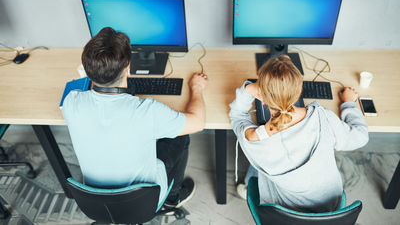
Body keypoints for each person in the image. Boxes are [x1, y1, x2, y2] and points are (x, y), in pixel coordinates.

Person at [62, 27, 208, 208]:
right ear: (128, 69)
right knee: (180, 135)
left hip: (94, 200)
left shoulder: (71, 102)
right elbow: (198, 122)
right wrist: (197, 88)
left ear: (87, 71)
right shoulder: (146, 111)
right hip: (144, 202)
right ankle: (172, 197)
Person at [229, 54, 368, 212]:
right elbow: (360, 137)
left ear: (262, 98)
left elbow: (237, 116)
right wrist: (349, 103)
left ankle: (246, 187)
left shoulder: (254, 140)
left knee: (261, 165)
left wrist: (248, 88)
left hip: (282, 215)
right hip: (330, 210)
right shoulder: (323, 119)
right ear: (299, 92)